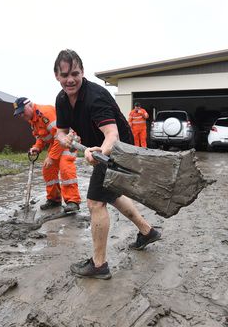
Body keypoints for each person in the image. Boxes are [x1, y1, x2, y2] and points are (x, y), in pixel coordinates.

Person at [54, 49, 162, 280]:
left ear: (82, 72)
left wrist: (99, 152)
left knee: (95, 202)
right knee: (110, 195)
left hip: (118, 150)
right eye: (64, 75)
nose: (70, 79)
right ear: (57, 76)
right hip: (100, 151)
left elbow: (112, 135)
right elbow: (61, 131)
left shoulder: (95, 97)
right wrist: (64, 139)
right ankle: (147, 231)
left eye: (75, 73)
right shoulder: (62, 99)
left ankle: (99, 265)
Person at [13, 97, 81, 214]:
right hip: (56, 143)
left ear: (30, 106)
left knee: (65, 166)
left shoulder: (45, 113)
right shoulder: (32, 120)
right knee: (47, 169)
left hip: (69, 140)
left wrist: (52, 157)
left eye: (22, 112)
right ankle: (54, 199)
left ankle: (72, 201)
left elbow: (61, 134)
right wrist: (37, 147)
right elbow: (40, 137)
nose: (21, 116)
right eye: (19, 114)